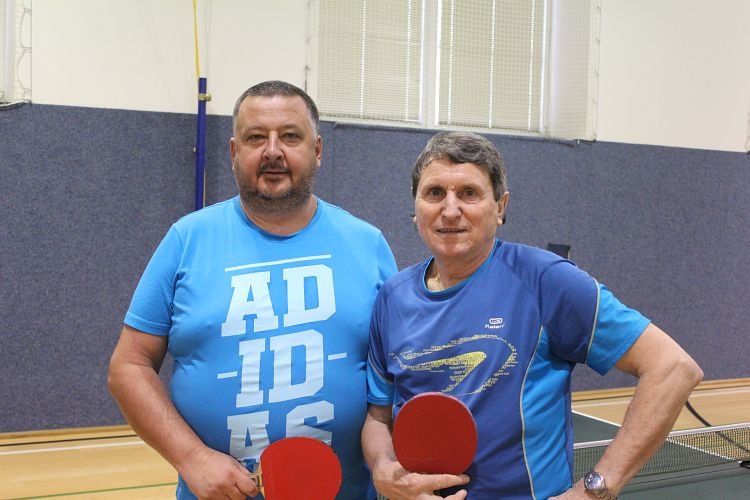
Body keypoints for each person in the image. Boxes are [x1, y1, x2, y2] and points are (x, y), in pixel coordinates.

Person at [362, 131, 703, 499]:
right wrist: (382, 467)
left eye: (469, 193)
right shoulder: (393, 297)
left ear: (500, 207)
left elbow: (673, 368)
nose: (450, 209)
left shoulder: (545, 280)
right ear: (415, 208)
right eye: (434, 193)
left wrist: (594, 491)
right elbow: (378, 416)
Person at [108, 80, 397, 499]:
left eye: (290, 136)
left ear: (317, 150)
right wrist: (192, 457)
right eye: (256, 137)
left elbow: (398, 372)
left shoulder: (367, 244)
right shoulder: (187, 240)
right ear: (233, 151)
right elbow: (129, 366)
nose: (273, 151)